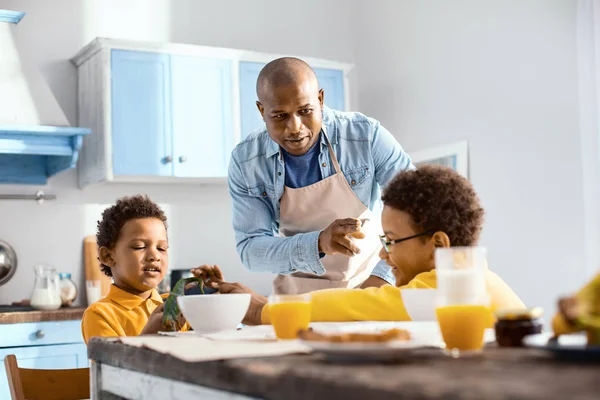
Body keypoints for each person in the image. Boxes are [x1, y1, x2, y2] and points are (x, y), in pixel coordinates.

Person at [203, 165, 525, 324]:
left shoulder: (449, 290)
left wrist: (262, 310)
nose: (384, 253)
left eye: (393, 241)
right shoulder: (482, 278)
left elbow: (361, 306)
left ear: (438, 245)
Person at [228, 57, 414, 294]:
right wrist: (318, 243)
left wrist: (383, 278)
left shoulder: (366, 136)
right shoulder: (246, 162)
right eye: (279, 116)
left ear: (321, 99)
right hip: (298, 298)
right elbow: (250, 249)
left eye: (305, 111)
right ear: (262, 110)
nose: (295, 127)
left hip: (370, 286)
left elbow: (417, 214)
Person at [81, 195, 189, 343]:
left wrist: (227, 303)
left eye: (161, 248)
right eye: (139, 246)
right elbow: (113, 365)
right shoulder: (100, 314)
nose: (154, 255)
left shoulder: (176, 305)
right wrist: (149, 337)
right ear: (108, 256)